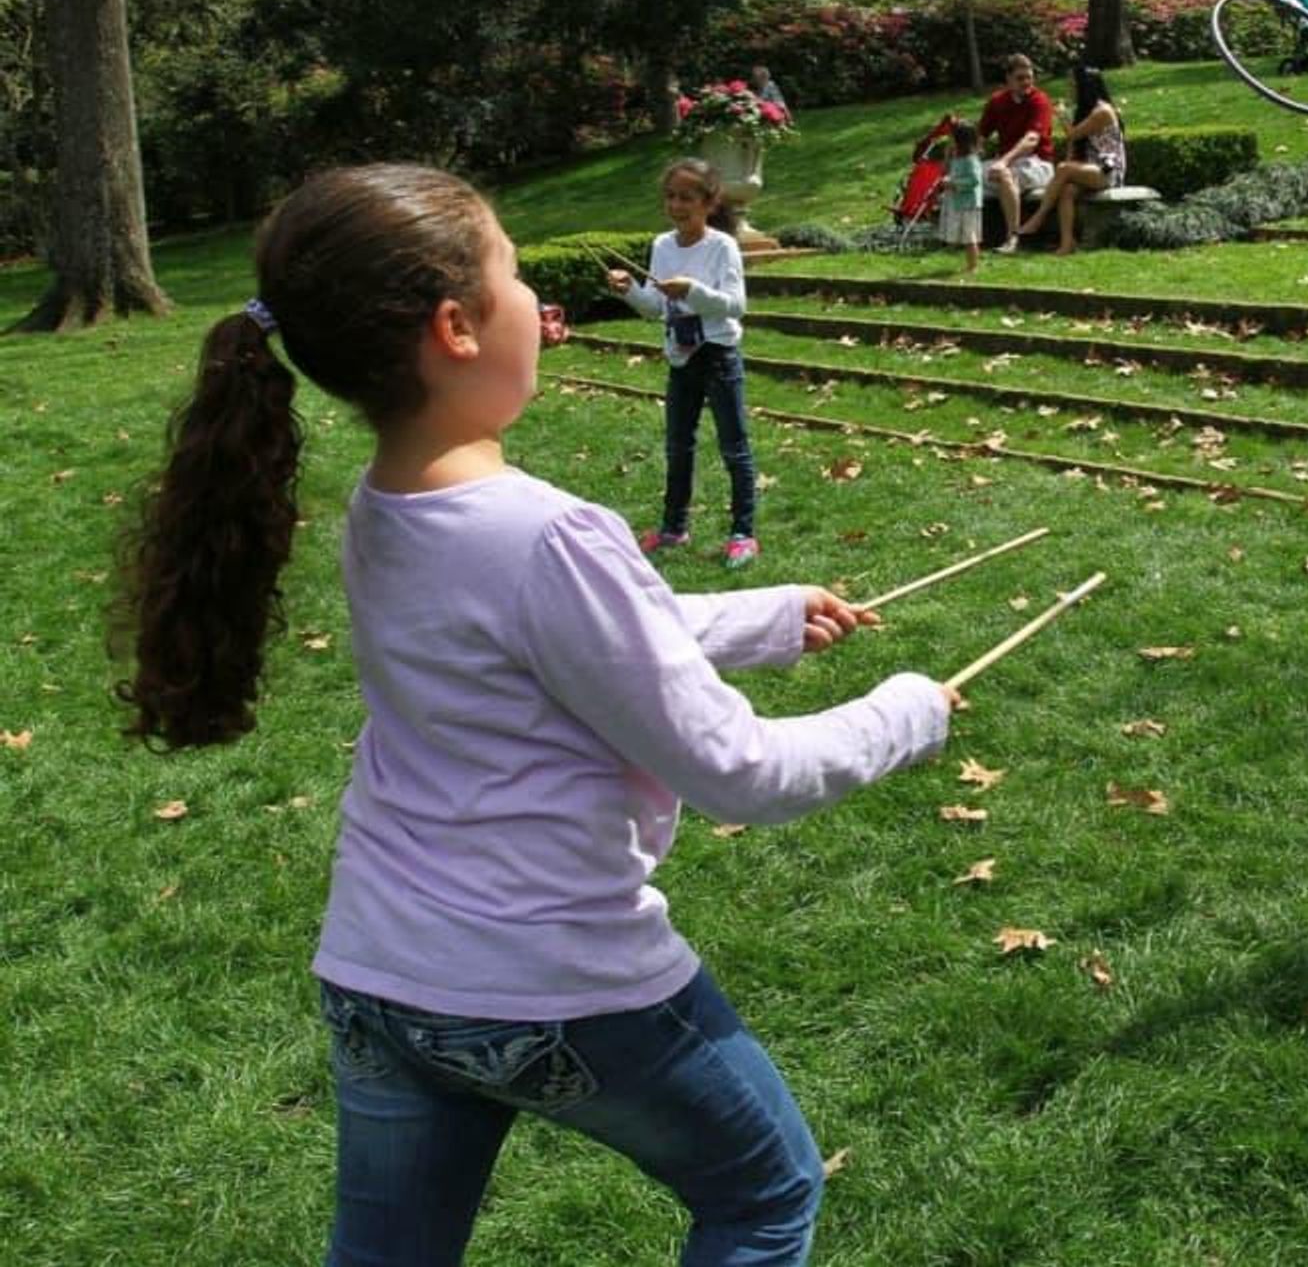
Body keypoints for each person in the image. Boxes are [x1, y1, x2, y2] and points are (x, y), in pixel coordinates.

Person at [116, 162, 958, 1266]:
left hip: (379, 976)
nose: (534, 302)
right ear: (457, 326)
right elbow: (739, 771)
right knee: (763, 1194)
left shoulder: (386, 506)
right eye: (513, 273)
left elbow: (554, 647)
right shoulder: (544, 534)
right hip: (552, 986)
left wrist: (766, 615)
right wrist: (906, 712)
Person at [607, 158, 761, 568]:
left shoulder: (721, 247)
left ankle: (743, 533)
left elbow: (735, 306)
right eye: (671, 197)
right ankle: (674, 527)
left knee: (735, 447)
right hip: (681, 354)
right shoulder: (662, 245)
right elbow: (657, 308)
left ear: (709, 203)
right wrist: (630, 291)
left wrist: (692, 290)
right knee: (678, 446)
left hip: (717, 353)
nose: (677, 205)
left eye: (687, 198)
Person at [1017, 64, 1126, 256]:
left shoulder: (1102, 111)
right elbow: (1075, 145)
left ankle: (1038, 218)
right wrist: (1068, 166)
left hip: (1108, 171)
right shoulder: (1086, 110)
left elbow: (1073, 134)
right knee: (1067, 190)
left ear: (1084, 86)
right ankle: (1067, 243)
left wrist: (1061, 115)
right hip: (1090, 169)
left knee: (1064, 169)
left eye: (1072, 84)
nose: (1070, 88)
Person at [977, 53, 1055, 255]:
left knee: (1005, 174)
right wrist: (966, 158)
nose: (1027, 82)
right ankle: (960, 236)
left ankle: (1013, 238)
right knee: (962, 176)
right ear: (1008, 79)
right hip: (1007, 163)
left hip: (1038, 164)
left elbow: (1031, 140)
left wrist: (1002, 162)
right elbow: (980, 136)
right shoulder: (997, 101)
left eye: (1029, 77)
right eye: (1020, 78)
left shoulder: (1040, 101)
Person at [938, 118, 983, 272]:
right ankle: (968, 262)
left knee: (970, 237)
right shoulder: (957, 158)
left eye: (952, 138)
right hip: (958, 201)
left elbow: (974, 180)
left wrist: (954, 184)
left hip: (968, 203)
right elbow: (949, 171)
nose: (950, 141)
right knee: (964, 235)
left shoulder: (971, 160)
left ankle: (973, 266)